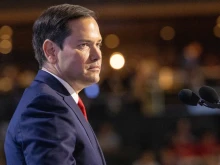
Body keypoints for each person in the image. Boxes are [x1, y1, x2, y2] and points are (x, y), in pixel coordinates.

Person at [4, 4, 106, 165]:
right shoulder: (45, 105)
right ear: (51, 51)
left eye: (98, 44)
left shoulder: (55, 99)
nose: (97, 55)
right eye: (84, 45)